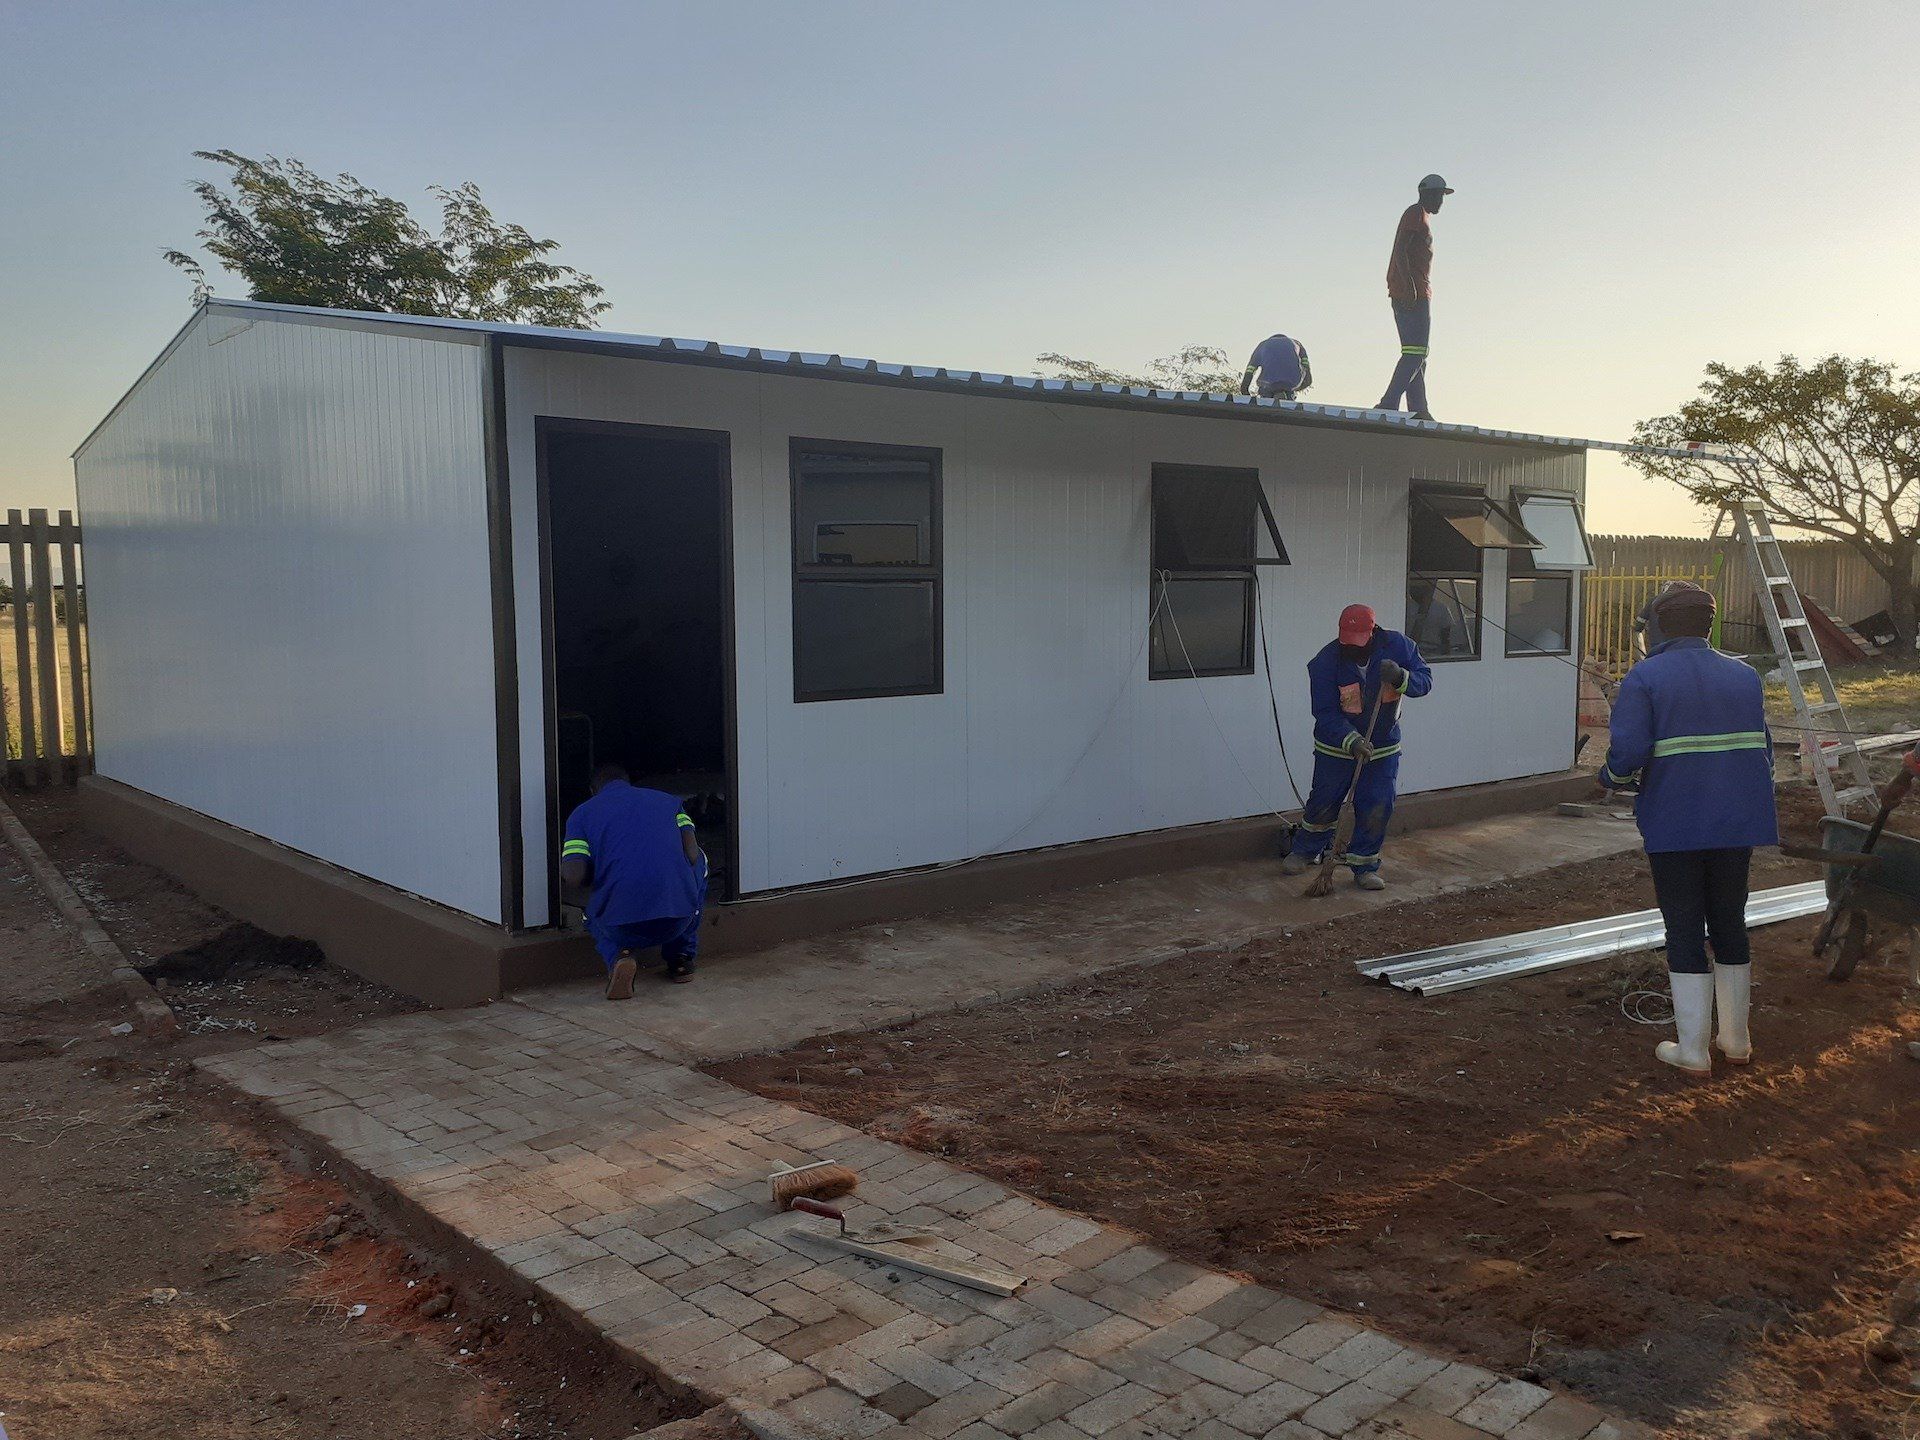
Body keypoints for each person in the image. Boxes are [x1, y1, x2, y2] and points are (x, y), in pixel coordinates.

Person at [1597, 583, 1778, 1074]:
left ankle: (1693, 1050)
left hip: (1676, 821)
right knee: (1729, 922)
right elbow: (1763, 749)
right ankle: (1736, 1040)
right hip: (1737, 821)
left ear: (1659, 625)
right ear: (1709, 624)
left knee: (1683, 927)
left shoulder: (1645, 677)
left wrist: (1609, 778)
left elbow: (1628, 754)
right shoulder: (1745, 674)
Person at [1282, 603, 1433, 889]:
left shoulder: (1399, 647)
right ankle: (1305, 850)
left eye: (1359, 642)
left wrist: (1401, 677)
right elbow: (1325, 713)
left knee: (1377, 804)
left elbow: (1425, 681)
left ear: (1373, 632)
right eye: (1347, 642)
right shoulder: (1325, 662)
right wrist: (1351, 741)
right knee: (1324, 802)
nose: (1353, 648)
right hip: (1336, 749)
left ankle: (1364, 865)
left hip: (1382, 746)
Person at [561, 763, 708, 1000]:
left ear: (592, 790)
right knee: (702, 861)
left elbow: (574, 877)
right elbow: (691, 854)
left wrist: (599, 873)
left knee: (589, 910)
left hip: (619, 927)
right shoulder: (669, 802)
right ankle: (680, 959)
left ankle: (619, 956)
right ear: (629, 782)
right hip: (677, 920)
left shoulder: (582, 814)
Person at [1377, 174, 1453, 421]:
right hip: (1412, 291)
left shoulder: (1422, 216)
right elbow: (1400, 248)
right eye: (1440, 196)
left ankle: (1418, 408)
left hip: (1415, 290)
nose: (1441, 202)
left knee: (1418, 351)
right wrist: (1409, 286)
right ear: (1429, 194)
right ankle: (1389, 402)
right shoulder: (1415, 213)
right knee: (1416, 352)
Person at [1239, 333, 1314, 401]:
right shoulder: (1298, 344)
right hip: (1291, 383)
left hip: (1267, 383)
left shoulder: (1262, 345)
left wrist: (1246, 393)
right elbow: (1308, 379)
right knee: (1288, 403)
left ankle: (1266, 402)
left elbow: (1250, 370)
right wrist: (1295, 388)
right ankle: (1288, 397)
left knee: (1265, 399)